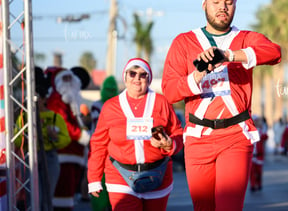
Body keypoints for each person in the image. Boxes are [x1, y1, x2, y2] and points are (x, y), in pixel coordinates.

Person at [161, 0, 282, 210]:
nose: (222, 7)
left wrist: (230, 55)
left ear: (235, 6)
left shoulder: (246, 38)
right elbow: (169, 92)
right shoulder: (184, 42)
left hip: (235, 135)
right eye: (215, 1)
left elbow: (274, 53)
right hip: (198, 137)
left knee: (229, 206)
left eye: (229, 2)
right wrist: (196, 76)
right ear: (204, 4)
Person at [87, 58, 184, 211]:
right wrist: (94, 178)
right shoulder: (110, 107)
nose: (137, 78)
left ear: (149, 79)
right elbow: (98, 143)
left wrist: (170, 144)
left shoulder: (162, 102)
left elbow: (178, 133)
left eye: (142, 74)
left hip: (158, 174)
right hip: (120, 176)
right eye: (132, 73)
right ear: (125, 77)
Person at [14, 66, 71, 210]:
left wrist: (55, 138)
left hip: (50, 157)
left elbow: (66, 139)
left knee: (47, 195)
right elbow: (16, 140)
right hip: (30, 157)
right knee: (32, 196)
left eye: (37, 98)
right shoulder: (24, 116)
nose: (35, 103)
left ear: (44, 98)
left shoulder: (55, 117)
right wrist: (25, 140)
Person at [45, 66, 91, 211]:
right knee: (62, 196)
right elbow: (63, 124)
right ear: (57, 82)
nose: (68, 82)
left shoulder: (70, 100)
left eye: (70, 78)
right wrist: (80, 135)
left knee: (68, 193)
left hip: (73, 154)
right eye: (65, 78)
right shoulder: (56, 100)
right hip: (63, 153)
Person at [89, 76, 119, 211]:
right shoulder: (97, 105)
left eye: (113, 90)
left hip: (116, 153)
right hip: (100, 150)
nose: (110, 92)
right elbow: (98, 130)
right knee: (99, 192)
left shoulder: (119, 105)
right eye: (108, 90)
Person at [250, 115, 268, 192]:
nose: (256, 122)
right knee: (252, 172)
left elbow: (266, 137)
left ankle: (259, 184)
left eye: (257, 120)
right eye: (254, 120)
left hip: (259, 155)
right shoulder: (249, 131)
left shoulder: (261, 130)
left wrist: (263, 131)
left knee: (259, 171)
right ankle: (253, 185)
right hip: (251, 155)